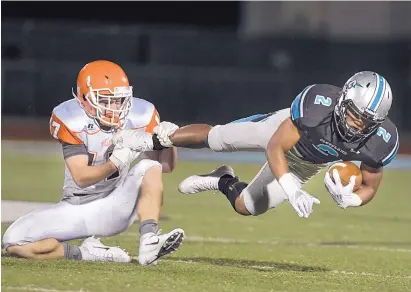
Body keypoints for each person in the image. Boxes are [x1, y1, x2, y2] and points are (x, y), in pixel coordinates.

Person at [119, 71, 399, 219]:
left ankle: (222, 180)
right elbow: (275, 147)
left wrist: (352, 199)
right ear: (341, 101)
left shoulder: (380, 141)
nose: (355, 126)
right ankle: (156, 137)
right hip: (281, 134)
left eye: (364, 122)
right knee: (218, 139)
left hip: (307, 164)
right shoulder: (317, 107)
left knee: (246, 207)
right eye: (352, 115)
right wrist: (292, 191)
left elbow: (371, 185)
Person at [2, 60, 185, 265]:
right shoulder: (73, 120)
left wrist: (170, 141)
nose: (113, 107)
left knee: (149, 166)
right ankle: (88, 253)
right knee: (13, 241)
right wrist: (114, 163)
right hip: (77, 207)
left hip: (118, 203)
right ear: (84, 99)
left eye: (118, 100)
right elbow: (81, 177)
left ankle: (149, 240)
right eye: (105, 100)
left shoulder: (140, 115)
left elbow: (165, 166)